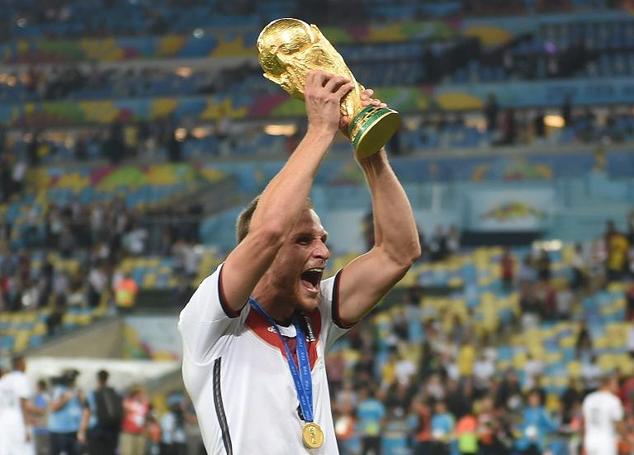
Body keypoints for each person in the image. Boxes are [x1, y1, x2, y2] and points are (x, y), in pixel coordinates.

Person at [178, 70, 420, 454]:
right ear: (263, 255)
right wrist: (320, 131)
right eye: (304, 241)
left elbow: (397, 253)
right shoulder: (212, 321)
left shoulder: (315, 316)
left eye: (323, 240)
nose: (323, 253)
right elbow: (269, 230)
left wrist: (369, 148)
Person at [0, 355, 36, 455]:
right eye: (25, 363)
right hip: (17, 421)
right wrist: (27, 428)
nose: (26, 366)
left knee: (6, 451)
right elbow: (24, 405)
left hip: (3, 421)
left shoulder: (4, 380)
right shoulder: (21, 379)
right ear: (20, 364)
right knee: (24, 450)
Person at [81, 369, 122, 455]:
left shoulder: (92, 394)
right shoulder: (115, 393)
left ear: (97, 379)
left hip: (96, 431)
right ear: (107, 379)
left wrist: (82, 431)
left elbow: (87, 413)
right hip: (113, 430)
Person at [582, 374, 624, 455]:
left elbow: (585, 422)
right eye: (616, 383)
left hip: (590, 441)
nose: (617, 386)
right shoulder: (613, 400)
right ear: (609, 383)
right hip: (606, 442)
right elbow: (619, 425)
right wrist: (627, 438)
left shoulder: (589, 398)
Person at [48, 369, 85, 455]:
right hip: (58, 431)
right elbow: (53, 408)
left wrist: (81, 398)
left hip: (73, 430)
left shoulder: (77, 390)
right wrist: (65, 398)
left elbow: (85, 408)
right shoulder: (58, 390)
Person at [119, 385, 149, 455]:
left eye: (141, 394)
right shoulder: (127, 403)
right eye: (138, 393)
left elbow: (146, 418)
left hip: (140, 433)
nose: (140, 395)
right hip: (128, 433)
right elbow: (122, 414)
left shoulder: (144, 404)